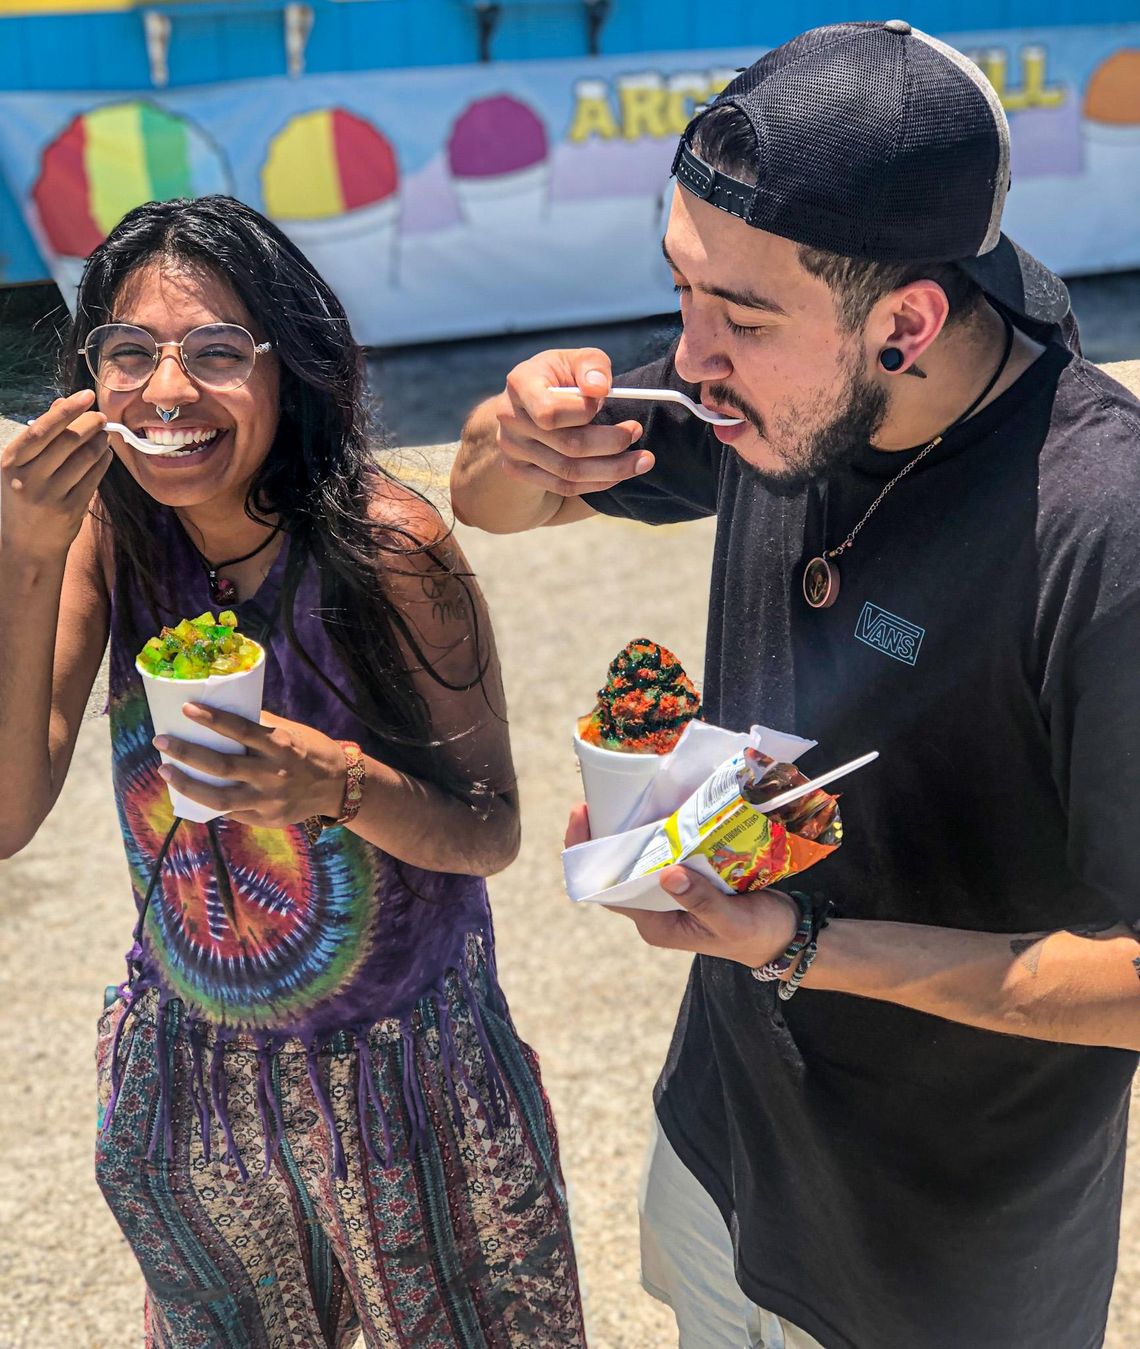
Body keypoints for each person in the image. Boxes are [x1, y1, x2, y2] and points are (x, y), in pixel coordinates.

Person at [450, 22, 1140, 1349]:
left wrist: (806, 945)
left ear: (907, 322)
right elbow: (495, 506)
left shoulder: (1098, 528)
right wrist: (512, 426)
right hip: (725, 1147)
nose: (689, 356)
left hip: (948, 1254)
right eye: (684, 290)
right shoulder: (763, 385)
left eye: (741, 316)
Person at [0, 195, 586, 1348]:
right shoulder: (107, 531)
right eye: (130, 354)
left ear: (291, 369)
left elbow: (491, 830)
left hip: (411, 1082)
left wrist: (339, 786)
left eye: (217, 352)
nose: (168, 393)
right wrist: (23, 548)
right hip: (196, 1078)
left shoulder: (389, 547)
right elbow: (8, 814)